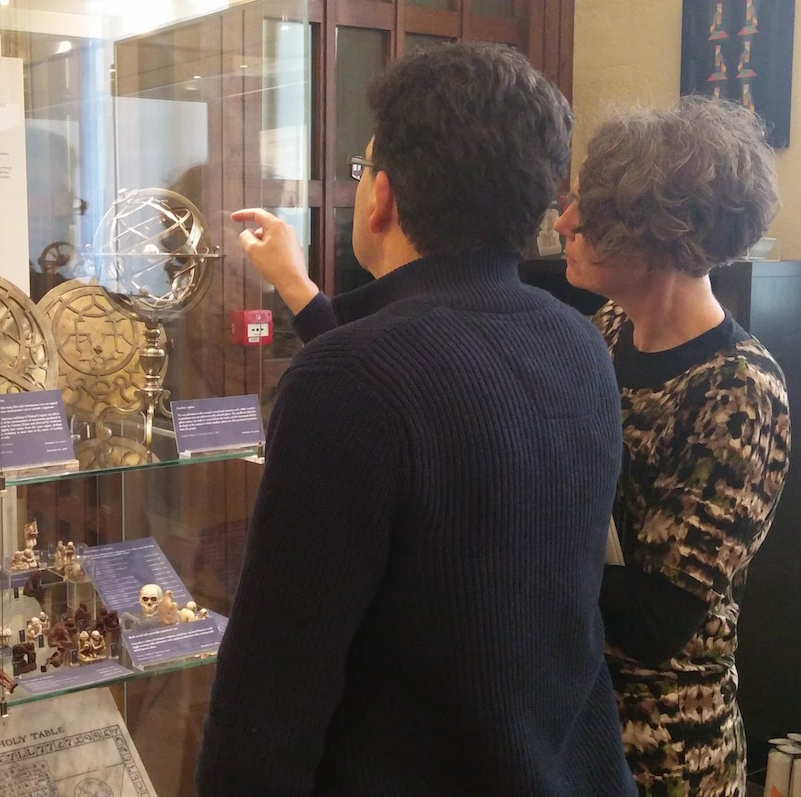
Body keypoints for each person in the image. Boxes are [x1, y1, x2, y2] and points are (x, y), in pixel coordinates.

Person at [196, 44, 634, 795]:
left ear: (383, 197)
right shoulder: (576, 342)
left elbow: (273, 692)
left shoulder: (342, 380)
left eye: (364, 170)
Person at [554, 97, 790, 796]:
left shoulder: (741, 390)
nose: (564, 222)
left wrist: (511, 546)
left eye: (589, 212)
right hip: (572, 719)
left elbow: (658, 620)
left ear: (658, 233)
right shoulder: (600, 331)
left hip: (665, 753)